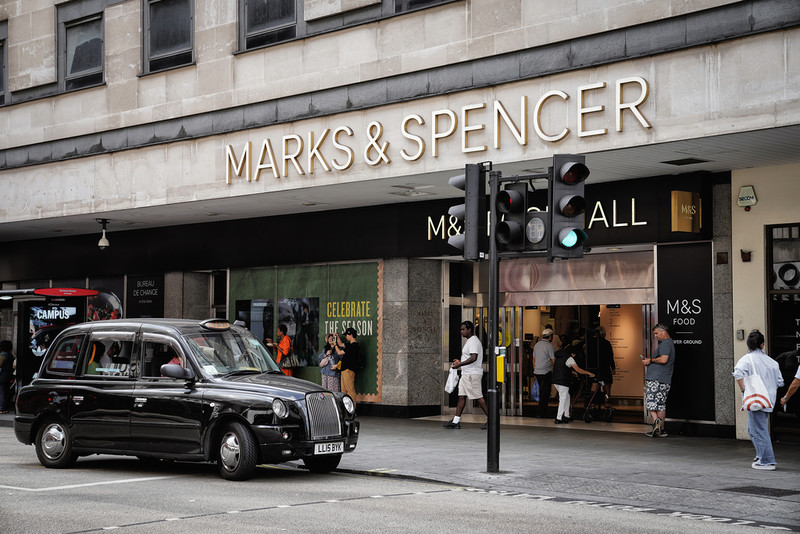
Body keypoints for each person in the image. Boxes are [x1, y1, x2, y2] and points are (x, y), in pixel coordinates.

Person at [733, 330, 784, 470]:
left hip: (755, 399)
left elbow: (738, 374)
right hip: (768, 400)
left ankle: (767, 460)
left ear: (748, 345)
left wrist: (744, 390)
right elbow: (780, 382)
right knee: (753, 427)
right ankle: (760, 455)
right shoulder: (772, 362)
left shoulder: (747, 359)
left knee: (758, 429)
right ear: (762, 345)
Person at [444, 320, 488, 430]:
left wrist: (459, 364)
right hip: (466, 374)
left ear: (469, 330)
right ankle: (456, 421)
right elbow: (469, 357)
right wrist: (460, 362)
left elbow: (474, 357)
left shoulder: (473, 341)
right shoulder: (470, 341)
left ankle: (492, 420)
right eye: (461, 329)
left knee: (478, 397)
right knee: (461, 397)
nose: (461, 331)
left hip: (472, 374)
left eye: (463, 329)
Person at [643, 324, 675, 437]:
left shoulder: (665, 344)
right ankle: (660, 429)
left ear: (663, 332)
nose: (655, 336)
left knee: (650, 402)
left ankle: (656, 421)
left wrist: (650, 360)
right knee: (661, 405)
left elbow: (664, 359)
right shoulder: (669, 343)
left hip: (657, 378)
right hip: (664, 379)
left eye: (656, 333)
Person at [552, 344, 594, 424]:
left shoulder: (559, 357)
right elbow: (578, 369)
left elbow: (562, 368)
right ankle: (558, 418)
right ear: (572, 353)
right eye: (574, 354)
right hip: (563, 381)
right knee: (563, 399)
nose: (575, 356)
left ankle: (567, 415)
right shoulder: (569, 358)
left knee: (567, 396)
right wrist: (588, 373)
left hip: (556, 381)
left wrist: (572, 371)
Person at [333, 327, 361, 405]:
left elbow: (339, 352)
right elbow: (341, 344)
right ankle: (346, 408)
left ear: (350, 335)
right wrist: (337, 337)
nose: (346, 337)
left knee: (350, 390)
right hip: (344, 369)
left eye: (346, 335)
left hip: (348, 370)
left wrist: (335, 344)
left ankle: (353, 408)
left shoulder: (354, 346)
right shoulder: (350, 345)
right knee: (344, 390)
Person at [532, 328, 555, 418]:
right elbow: (553, 360)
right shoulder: (549, 346)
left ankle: (541, 411)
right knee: (545, 393)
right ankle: (541, 412)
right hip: (546, 371)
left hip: (537, 371)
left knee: (542, 391)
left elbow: (534, 359)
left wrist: (535, 369)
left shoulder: (537, 345)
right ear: (550, 337)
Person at [595, 326, 616, 410]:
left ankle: (594, 403)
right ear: (603, 333)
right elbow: (610, 356)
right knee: (607, 386)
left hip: (595, 368)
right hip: (605, 367)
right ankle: (607, 403)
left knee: (595, 386)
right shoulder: (606, 343)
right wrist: (613, 368)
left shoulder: (592, 343)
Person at [0, 340, 14, 414]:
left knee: (2, 393)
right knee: (5, 392)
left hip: (2, 377)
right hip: (9, 376)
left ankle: (1, 408)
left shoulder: (2, 355)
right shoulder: (10, 355)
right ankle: (4, 408)